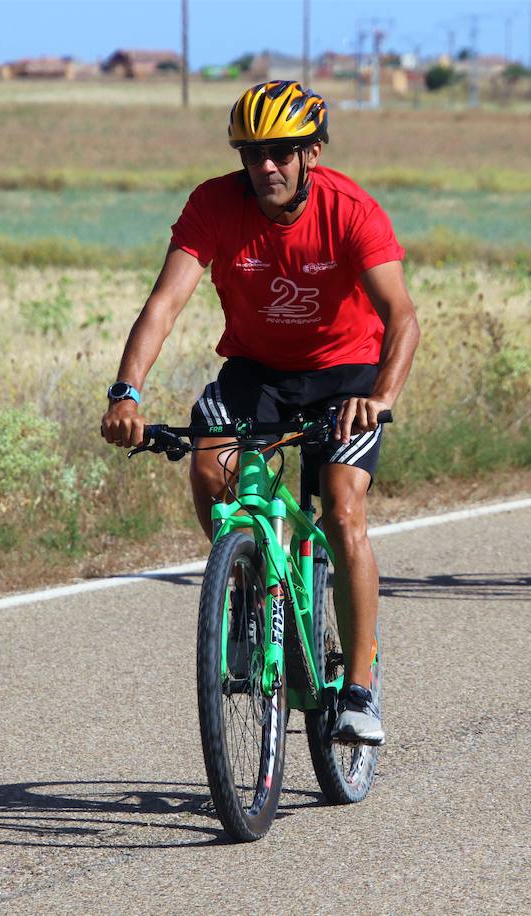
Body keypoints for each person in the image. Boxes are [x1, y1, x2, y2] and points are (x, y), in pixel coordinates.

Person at [101, 81, 420, 745]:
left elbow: (402, 317)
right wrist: (126, 393)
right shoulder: (214, 205)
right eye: (252, 154)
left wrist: (381, 397)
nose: (265, 166)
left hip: (347, 377)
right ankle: (247, 592)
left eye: (280, 152)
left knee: (342, 509)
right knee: (209, 466)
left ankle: (359, 689)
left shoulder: (351, 209)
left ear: (311, 153)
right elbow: (164, 305)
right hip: (258, 373)